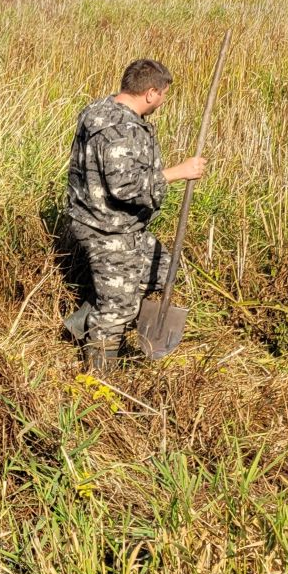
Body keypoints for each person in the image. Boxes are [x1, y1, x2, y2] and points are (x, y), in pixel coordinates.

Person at [63, 58, 207, 372]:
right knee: (118, 308)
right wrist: (178, 173)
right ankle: (100, 381)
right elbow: (124, 187)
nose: (164, 101)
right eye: (164, 94)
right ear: (151, 93)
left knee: (162, 267)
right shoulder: (119, 129)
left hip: (116, 222)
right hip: (106, 227)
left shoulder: (98, 108)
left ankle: (79, 323)